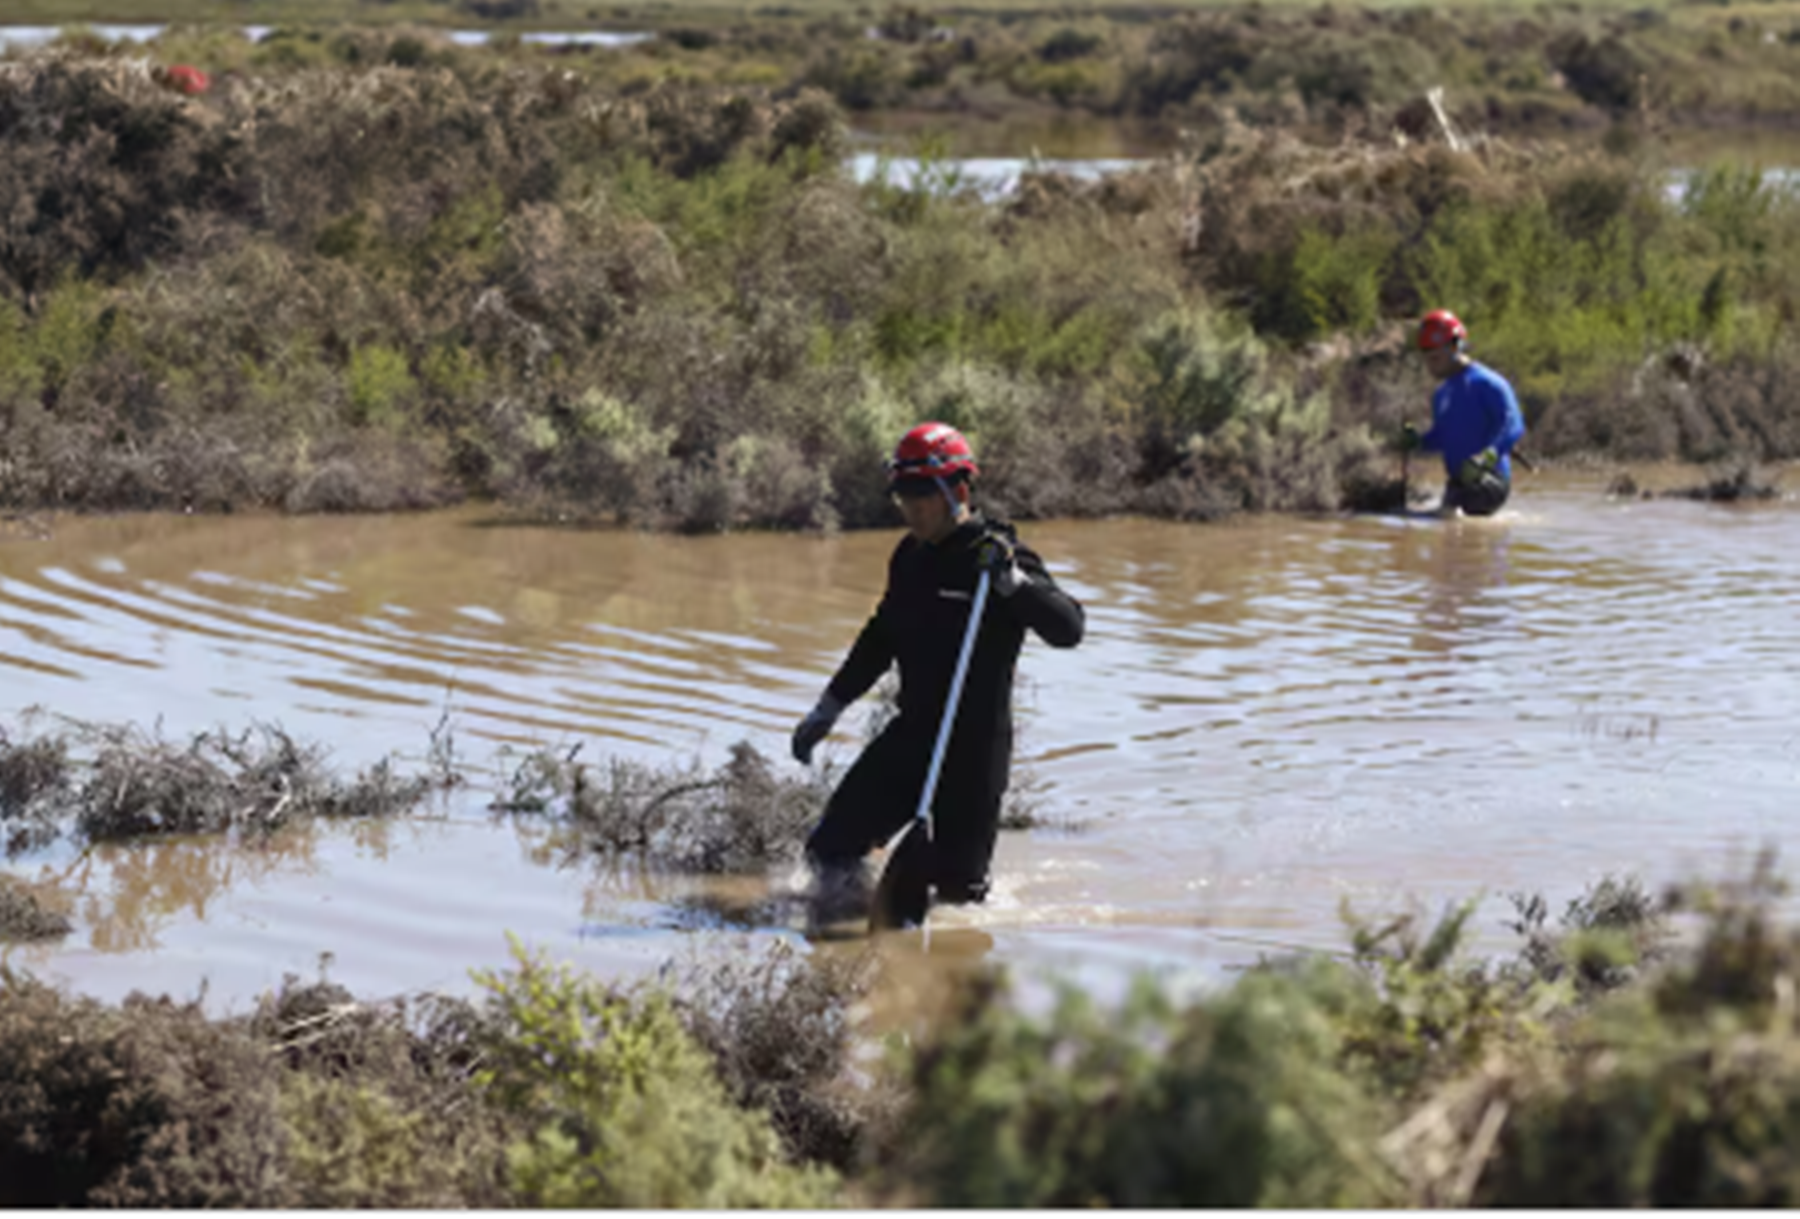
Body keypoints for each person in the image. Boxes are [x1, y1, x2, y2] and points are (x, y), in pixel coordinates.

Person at [790, 422, 1085, 929]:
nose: (910, 508)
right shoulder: (910, 557)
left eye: (923, 496)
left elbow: (1069, 629)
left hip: (973, 754)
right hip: (912, 737)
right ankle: (846, 937)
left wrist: (1014, 585)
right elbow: (880, 637)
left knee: (957, 905)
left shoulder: (997, 557)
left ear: (959, 491)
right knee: (829, 854)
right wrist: (829, 707)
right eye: (903, 496)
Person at [1400, 309, 1527, 518]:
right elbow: (1443, 438)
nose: (1430, 366)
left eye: (1436, 358)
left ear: (1454, 347)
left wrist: (1486, 458)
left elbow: (1513, 426)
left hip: (1488, 480)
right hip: (1457, 483)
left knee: (1452, 520)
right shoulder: (1441, 394)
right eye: (1427, 359)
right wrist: (1418, 442)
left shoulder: (1488, 383)